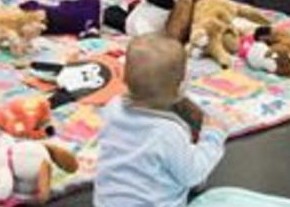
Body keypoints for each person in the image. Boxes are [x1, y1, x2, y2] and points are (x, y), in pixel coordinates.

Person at [94, 35, 227, 207]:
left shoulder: (112, 108)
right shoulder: (167, 132)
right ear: (181, 87)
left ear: (124, 79)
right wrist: (212, 137)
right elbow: (193, 174)